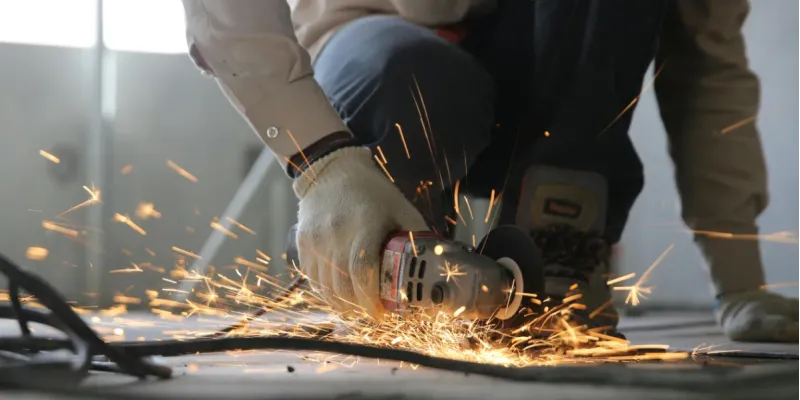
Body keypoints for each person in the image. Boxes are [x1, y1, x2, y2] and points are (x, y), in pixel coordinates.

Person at [182, 0, 800, 342]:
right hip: (384, 49)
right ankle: (384, 258)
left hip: (560, 100)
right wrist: (321, 162)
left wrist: (739, 278)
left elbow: (708, 70)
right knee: (404, 73)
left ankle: (559, 251)